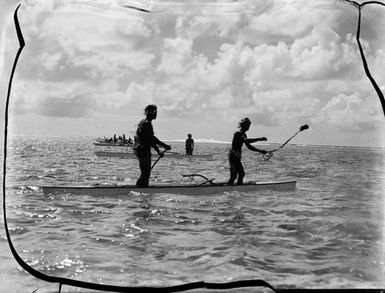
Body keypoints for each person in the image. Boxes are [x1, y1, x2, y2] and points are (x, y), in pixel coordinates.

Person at [133, 104, 171, 187]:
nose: (156, 114)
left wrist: (158, 151)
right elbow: (152, 139)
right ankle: (141, 190)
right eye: (154, 112)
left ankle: (142, 189)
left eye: (156, 112)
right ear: (149, 112)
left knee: (145, 173)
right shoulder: (146, 124)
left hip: (140, 149)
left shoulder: (144, 122)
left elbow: (150, 140)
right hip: (143, 150)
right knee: (145, 173)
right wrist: (164, 146)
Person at [228, 117, 267, 185]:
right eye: (248, 125)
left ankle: (230, 186)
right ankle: (239, 187)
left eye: (249, 125)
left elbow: (249, 147)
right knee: (241, 173)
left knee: (234, 176)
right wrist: (259, 139)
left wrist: (260, 151)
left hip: (235, 156)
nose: (249, 127)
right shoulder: (238, 133)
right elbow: (246, 140)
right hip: (234, 156)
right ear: (243, 125)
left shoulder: (243, 134)